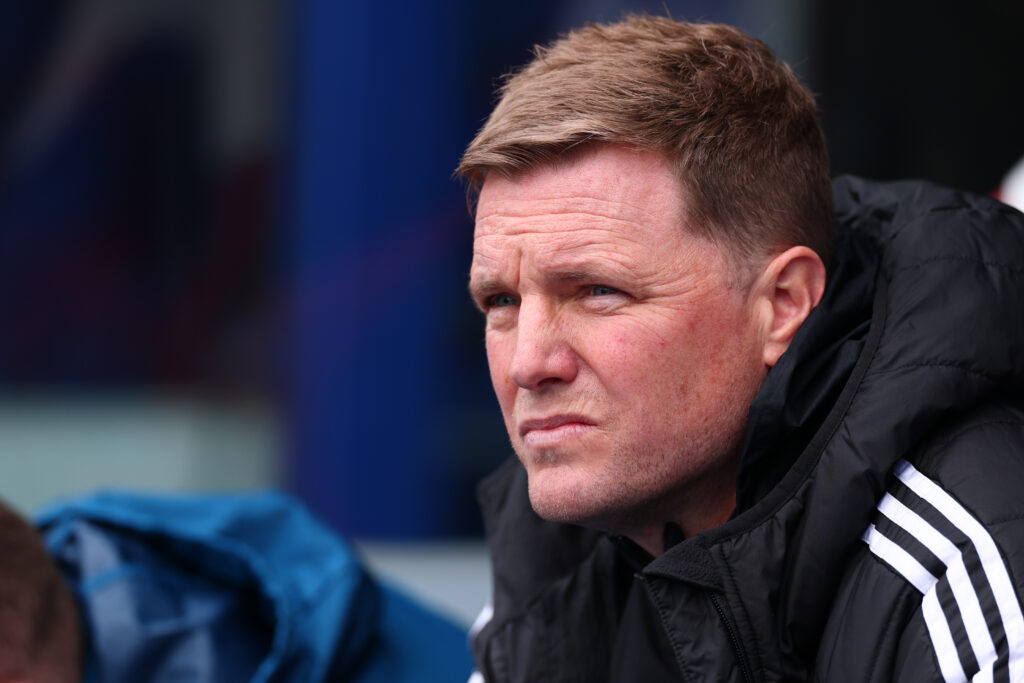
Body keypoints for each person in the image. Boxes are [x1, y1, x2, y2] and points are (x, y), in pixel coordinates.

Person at [457, 15, 1024, 682]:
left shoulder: (965, 571)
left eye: (598, 291)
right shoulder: (560, 553)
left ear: (783, 303)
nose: (529, 362)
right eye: (501, 301)